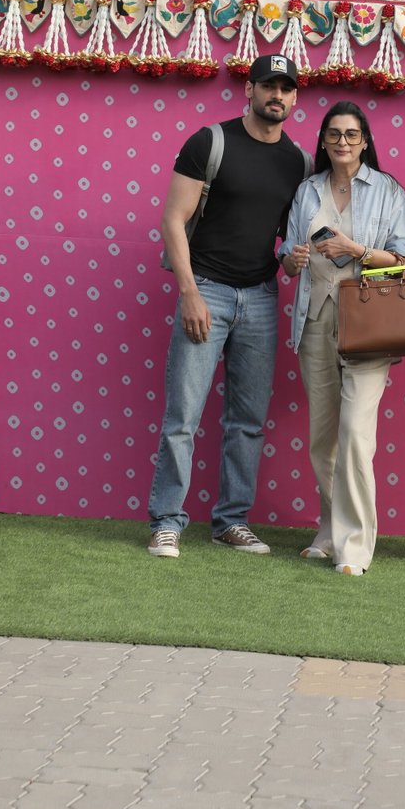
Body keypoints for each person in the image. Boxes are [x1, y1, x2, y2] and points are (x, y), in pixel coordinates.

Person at [147, 54, 307, 558]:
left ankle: (230, 521)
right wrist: (190, 292)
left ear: (295, 98)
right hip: (208, 290)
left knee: (248, 421)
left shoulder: (298, 162)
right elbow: (174, 219)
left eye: (285, 88)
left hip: (261, 298)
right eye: (267, 86)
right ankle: (167, 521)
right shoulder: (209, 142)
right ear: (249, 89)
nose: (276, 96)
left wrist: (291, 259)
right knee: (183, 416)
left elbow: (283, 237)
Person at [280, 101, 405, 576]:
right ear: (322, 140)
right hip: (314, 319)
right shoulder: (307, 190)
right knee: (323, 438)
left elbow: (403, 263)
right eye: (334, 134)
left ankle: (354, 547)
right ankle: (329, 530)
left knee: (355, 433)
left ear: (364, 140)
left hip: (367, 325)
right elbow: (288, 252)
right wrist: (290, 260)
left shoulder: (389, 191)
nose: (342, 142)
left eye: (351, 135)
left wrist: (355, 249)